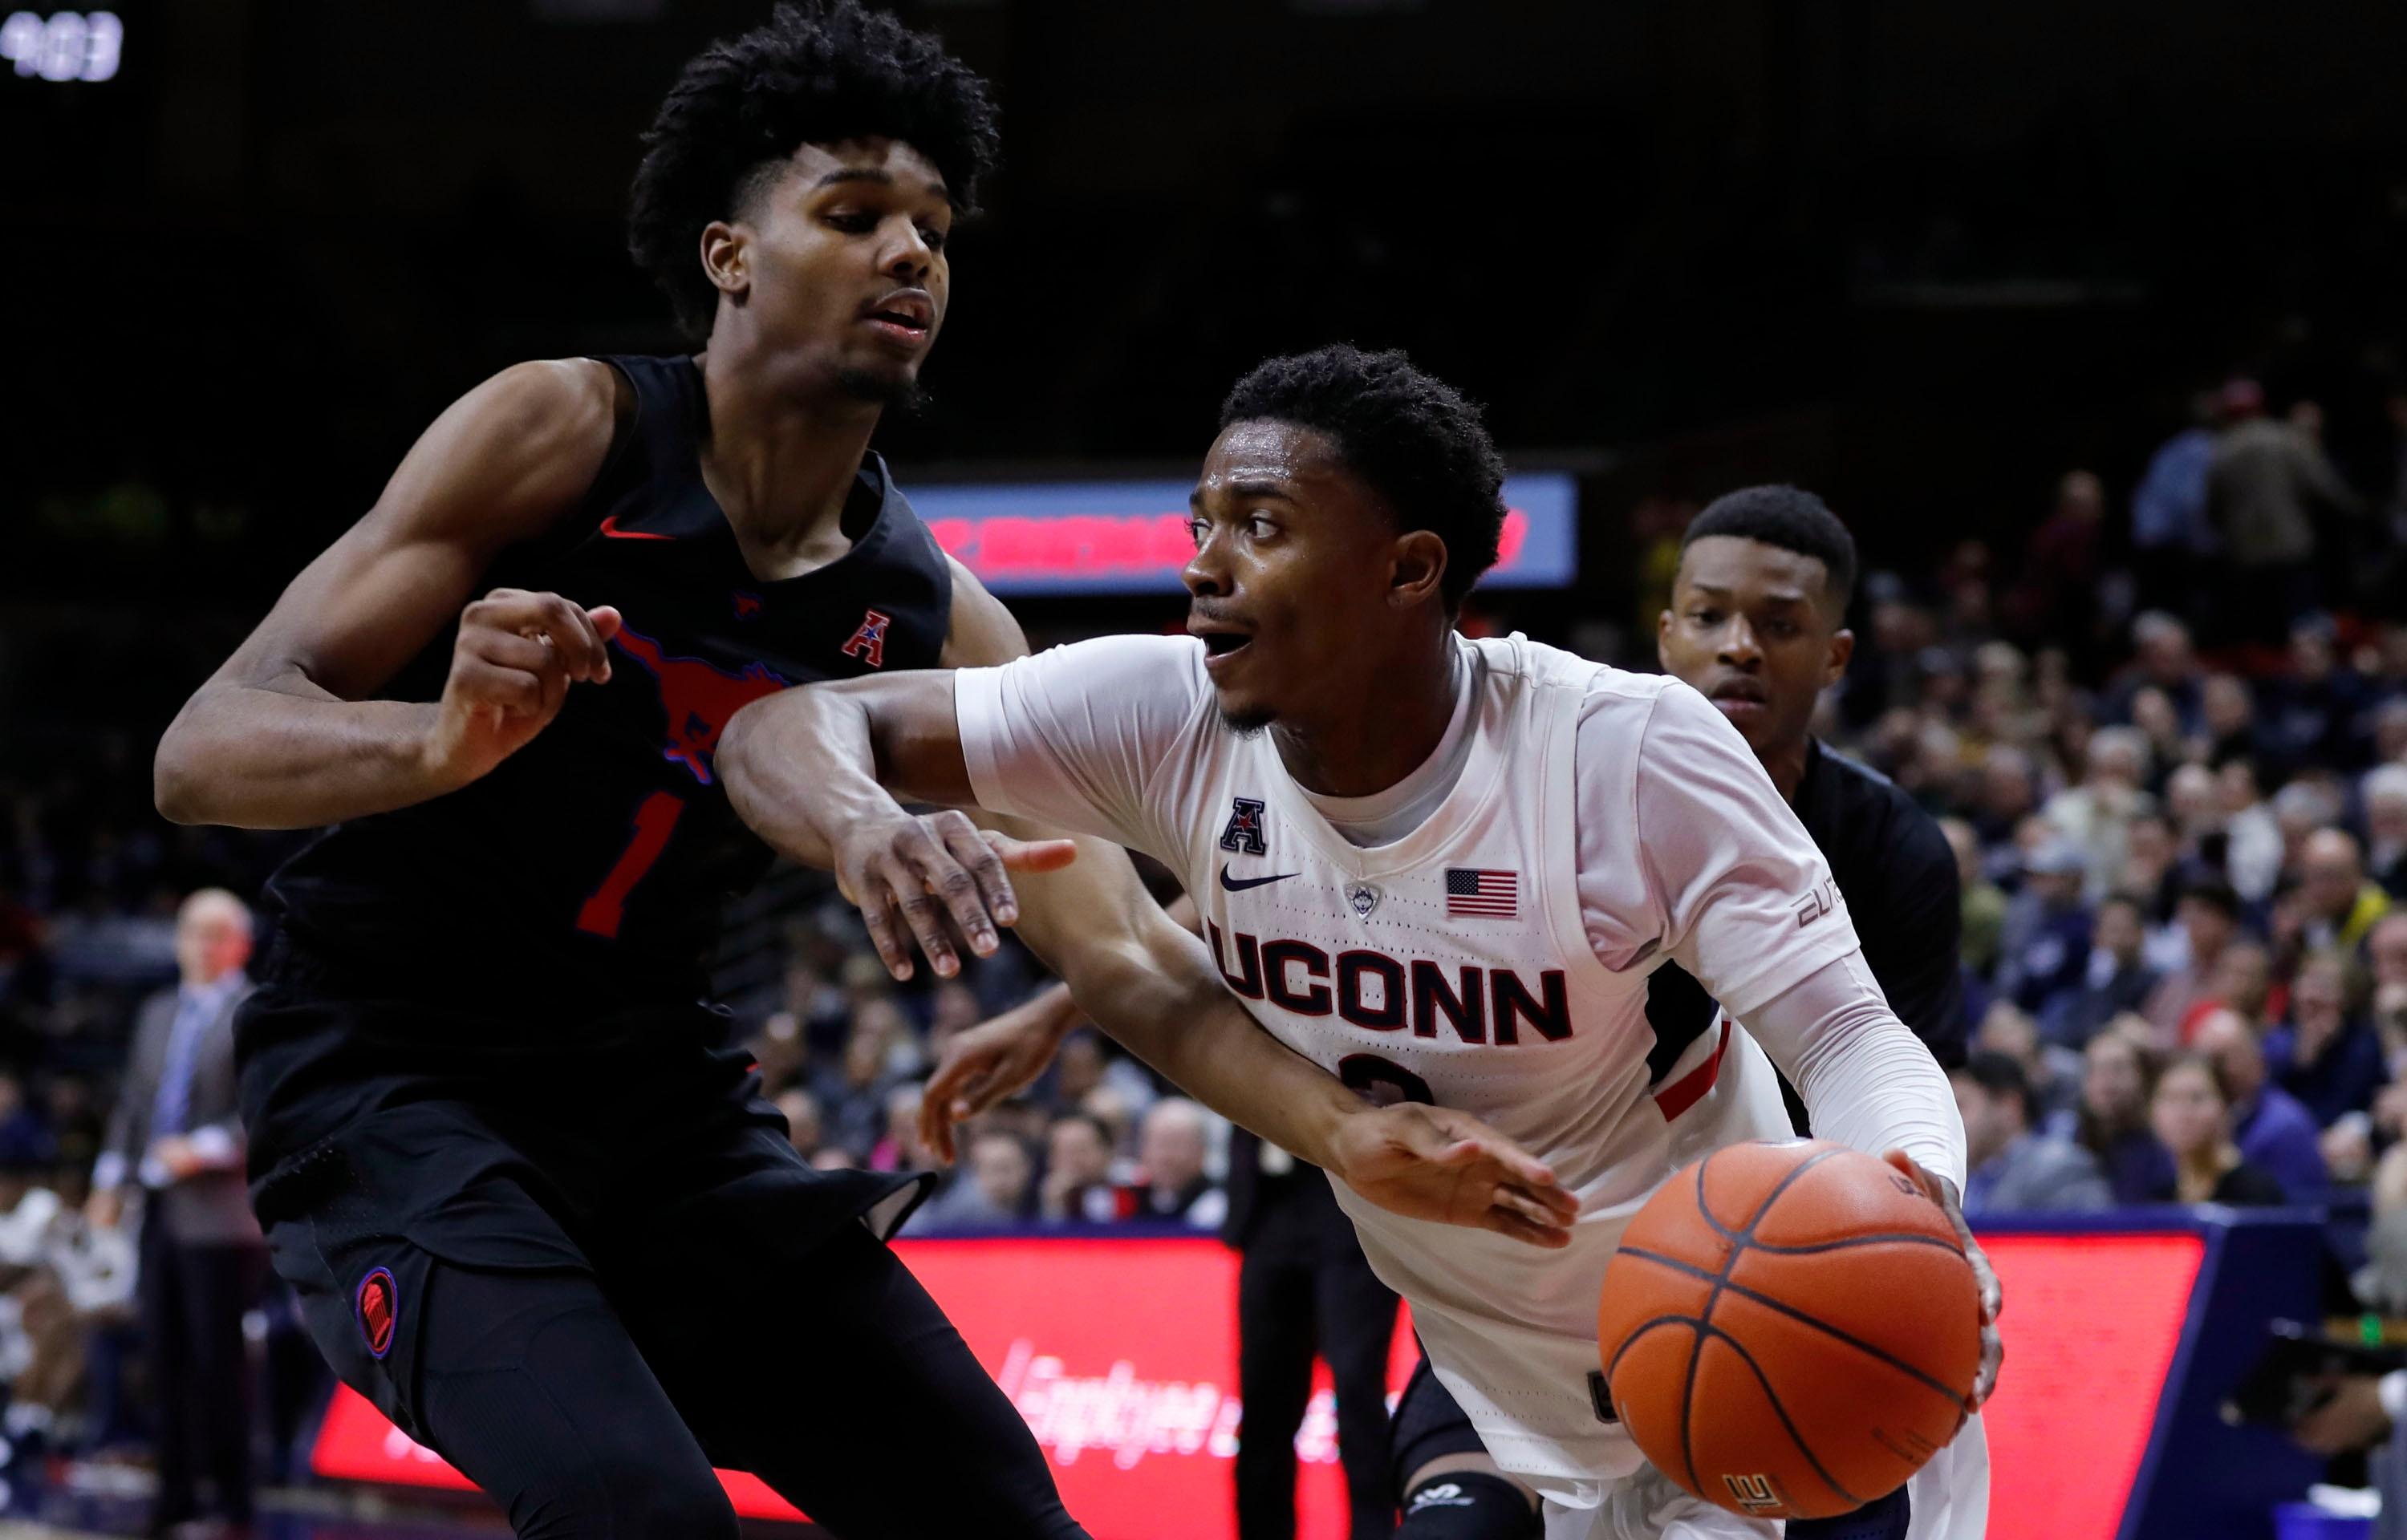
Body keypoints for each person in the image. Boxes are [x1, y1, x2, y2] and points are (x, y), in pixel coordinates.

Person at [148, 15, 1562, 1538]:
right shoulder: (566, 429)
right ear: (728, 255)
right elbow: (201, 752)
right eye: (854, 215)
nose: (911, 255)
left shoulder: (941, 615)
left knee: (1008, 1514)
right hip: (390, 1072)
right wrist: (433, 745)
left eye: (934, 231)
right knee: (646, 1514)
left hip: (661, 1107)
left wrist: (1343, 1128)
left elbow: (1127, 956)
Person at [720, 346, 2000, 1540]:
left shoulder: (1621, 750)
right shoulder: (1161, 716)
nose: (1204, 567)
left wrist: (1917, 1214)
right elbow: (785, 730)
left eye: (1262, 528)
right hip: (1498, 1382)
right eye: (1202, 526)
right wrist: (862, 825)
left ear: (1408, 570)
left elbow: (1845, 1032)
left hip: (1784, 1342)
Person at [88, 889, 265, 1538]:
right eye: (192, 931)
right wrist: (110, 1177)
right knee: (163, 1358)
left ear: (240, 944)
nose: (200, 944)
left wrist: (202, 1148)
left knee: (218, 1363)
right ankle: (175, 1498)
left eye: (215, 933)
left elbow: (266, 1110)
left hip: (222, 1219)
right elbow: (133, 1104)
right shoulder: (160, 1010)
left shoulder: (257, 1012)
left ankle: (234, 1502)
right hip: (158, 1210)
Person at [1222, 1120, 1402, 1540]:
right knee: (1264, 1399)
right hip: (1269, 1207)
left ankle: (1373, 1532)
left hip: (1350, 1210)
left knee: (1358, 1393)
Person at [1951, 1052, 2111, 1215]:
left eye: (1959, 1106)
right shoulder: (1959, 1179)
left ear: (2007, 1106)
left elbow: (2087, 1237)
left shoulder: (2059, 1169)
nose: (1948, 1121)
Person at [2193, 1009, 2327, 1200]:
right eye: (2205, 1060)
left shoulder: (2284, 1127)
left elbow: (2297, 1217)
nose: (2215, 1072)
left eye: (2222, 1059)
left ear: (2257, 1060)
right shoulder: (2196, 1125)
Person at [2146, 1053, 2290, 1206]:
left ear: (2225, 1107)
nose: (2183, 1113)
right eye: (2171, 1098)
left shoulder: (2256, 1193)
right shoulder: (2158, 1198)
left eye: (2197, 1098)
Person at [2051, 1025, 2174, 1204]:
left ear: (2141, 1077)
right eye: (2095, 1070)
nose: (2106, 1080)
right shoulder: (2064, 1143)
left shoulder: (2163, 1149)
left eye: (2118, 1068)